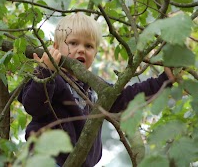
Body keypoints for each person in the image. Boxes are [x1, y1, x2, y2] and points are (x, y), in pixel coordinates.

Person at [18, 12, 175, 167]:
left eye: (89, 46)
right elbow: (34, 106)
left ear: (95, 52)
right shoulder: (49, 76)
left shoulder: (95, 87)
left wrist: (163, 80)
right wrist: (47, 71)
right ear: (56, 47)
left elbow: (127, 97)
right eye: (73, 43)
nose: (81, 50)